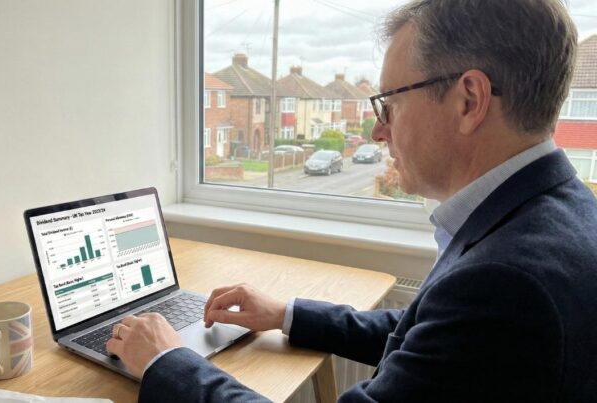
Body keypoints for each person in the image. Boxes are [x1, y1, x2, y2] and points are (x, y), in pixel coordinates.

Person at [106, 0, 597, 401]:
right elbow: (426, 333)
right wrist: (286, 314)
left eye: (390, 104)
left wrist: (166, 361)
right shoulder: (556, 214)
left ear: (469, 100)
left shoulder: (506, 282)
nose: (379, 131)